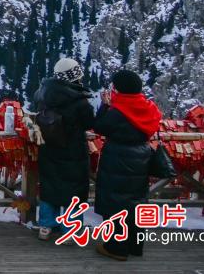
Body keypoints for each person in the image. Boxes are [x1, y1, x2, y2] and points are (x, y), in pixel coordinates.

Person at [93, 69, 161, 261]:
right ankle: (135, 246)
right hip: (141, 158)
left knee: (116, 203)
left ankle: (116, 248)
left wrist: (105, 106)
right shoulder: (149, 108)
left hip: (118, 158)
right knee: (136, 201)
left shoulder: (119, 110)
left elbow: (99, 127)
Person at [31, 57, 96, 240]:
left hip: (48, 148)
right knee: (73, 190)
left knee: (49, 186)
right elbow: (90, 123)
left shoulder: (42, 94)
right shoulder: (80, 101)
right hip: (73, 151)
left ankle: (46, 225)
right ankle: (70, 229)